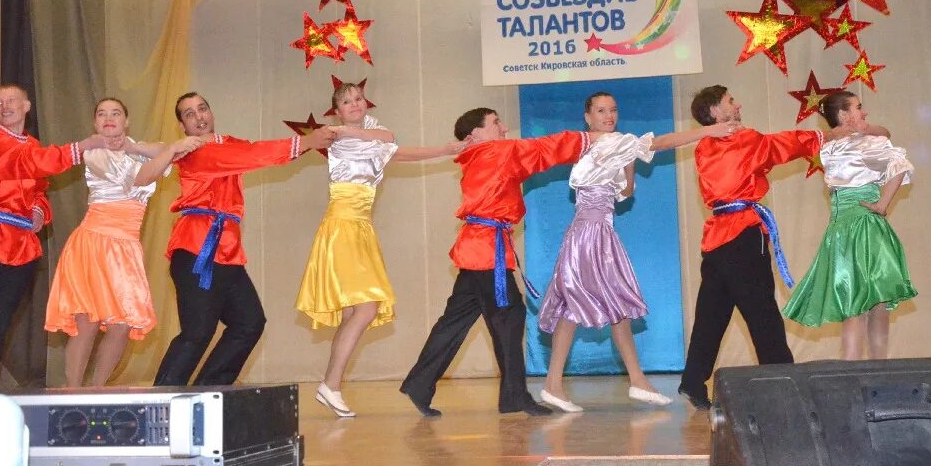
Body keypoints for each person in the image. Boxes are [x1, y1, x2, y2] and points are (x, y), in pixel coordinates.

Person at [676, 85, 885, 409]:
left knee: (711, 313)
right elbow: (783, 144)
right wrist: (828, 134)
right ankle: (784, 383)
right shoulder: (744, 140)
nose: (738, 104)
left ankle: (692, 380)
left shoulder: (704, 147)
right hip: (743, 234)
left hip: (715, 239)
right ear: (715, 111)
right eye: (731, 101)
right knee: (763, 314)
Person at [537, 92, 739, 412]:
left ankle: (632, 380)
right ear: (588, 117)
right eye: (601, 111)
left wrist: (629, 160)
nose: (609, 115)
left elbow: (626, 192)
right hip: (589, 232)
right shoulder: (602, 142)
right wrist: (707, 130)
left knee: (609, 304)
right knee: (578, 305)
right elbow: (661, 143)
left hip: (597, 231)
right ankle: (562, 384)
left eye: (613, 110)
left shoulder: (612, 144)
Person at [400, 107, 596, 417]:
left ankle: (420, 384)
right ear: (475, 134)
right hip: (487, 252)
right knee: (509, 316)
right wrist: (591, 139)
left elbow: (528, 161)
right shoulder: (495, 152)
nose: (504, 128)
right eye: (495, 123)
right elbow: (544, 149)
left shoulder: (480, 157)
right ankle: (514, 397)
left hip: (479, 248)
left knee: (456, 320)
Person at [0, 84, 111, 395]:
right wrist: (77, 149)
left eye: (11, 100)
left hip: (20, 247)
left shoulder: (34, 147)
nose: (5, 106)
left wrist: (39, 210)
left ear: (26, 106)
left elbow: (38, 189)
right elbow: (20, 162)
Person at [296, 83, 466, 417]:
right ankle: (330, 384)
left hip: (359, 226)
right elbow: (392, 146)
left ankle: (331, 385)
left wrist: (446, 149)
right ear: (337, 111)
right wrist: (347, 131)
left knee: (353, 313)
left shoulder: (368, 134)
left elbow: (392, 143)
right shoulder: (340, 138)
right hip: (344, 225)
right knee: (366, 308)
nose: (354, 104)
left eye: (358, 98)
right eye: (346, 102)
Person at [153, 92, 334, 386]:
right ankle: (160, 402)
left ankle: (209, 392)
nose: (199, 116)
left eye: (202, 108)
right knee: (198, 332)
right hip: (198, 249)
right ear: (182, 126)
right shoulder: (195, 154)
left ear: (211, 112)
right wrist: (308, 141)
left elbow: (255, 151)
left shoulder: (227, 144)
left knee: (248, 322)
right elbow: (252, 155)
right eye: (189, 114)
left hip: (227, 251)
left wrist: (309, 143)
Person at [44, 98, 203, 386]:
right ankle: (73, 394)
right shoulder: (95, 152)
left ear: (126, 121)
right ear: (95, 122)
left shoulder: (136, 149)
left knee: (122, 324)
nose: (109, 118)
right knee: (88, 322)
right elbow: (141, 178)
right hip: (94, 242)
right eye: (102, 114)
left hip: (126, 246)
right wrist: (172, 149)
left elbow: (162, 152)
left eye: (115, 113)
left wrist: (137, 148)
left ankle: (98, 391)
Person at [783, 91, 915, 360]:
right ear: (844, 115)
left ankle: (858, 370)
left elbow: (887, 141)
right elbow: (900, 164)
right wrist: (882, 204)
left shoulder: (831, 146)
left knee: (859, 302)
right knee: (870, 302)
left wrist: (867, 128)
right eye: (858, 107)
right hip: (862, 226)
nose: (864, 112)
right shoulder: (860, 144)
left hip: (844, 229)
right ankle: (872, 367)